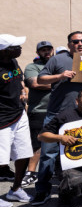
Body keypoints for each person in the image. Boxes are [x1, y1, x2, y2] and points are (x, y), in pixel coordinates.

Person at [32, 31, 82, 205]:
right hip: (57, 114)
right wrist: (60, 76)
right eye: (76, 41)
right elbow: (41, 79)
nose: (80, 44)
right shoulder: (58, 59)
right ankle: (42, 189)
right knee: (48, 154)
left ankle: (80, 185)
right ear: (69, 44)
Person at [0, 35, 33, 207]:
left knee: (23, 153)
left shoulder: (12, 62)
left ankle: (16, 189)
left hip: (19, 114)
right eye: (16, 46)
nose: (20, 48)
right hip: (2, 120)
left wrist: (23, 90)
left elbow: (18, 79)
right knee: (1, 160)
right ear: (4, 50)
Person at [20, 41, 54, 188]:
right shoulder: (32, 67)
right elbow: (35, 83)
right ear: (38, 52)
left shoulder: (57, 65)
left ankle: (57, 171)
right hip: (39, 111)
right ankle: (31, 173)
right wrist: (61, 81)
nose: (46, 52)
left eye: (48, 49)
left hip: (58, 110)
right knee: (37, 144)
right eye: (43, 50)